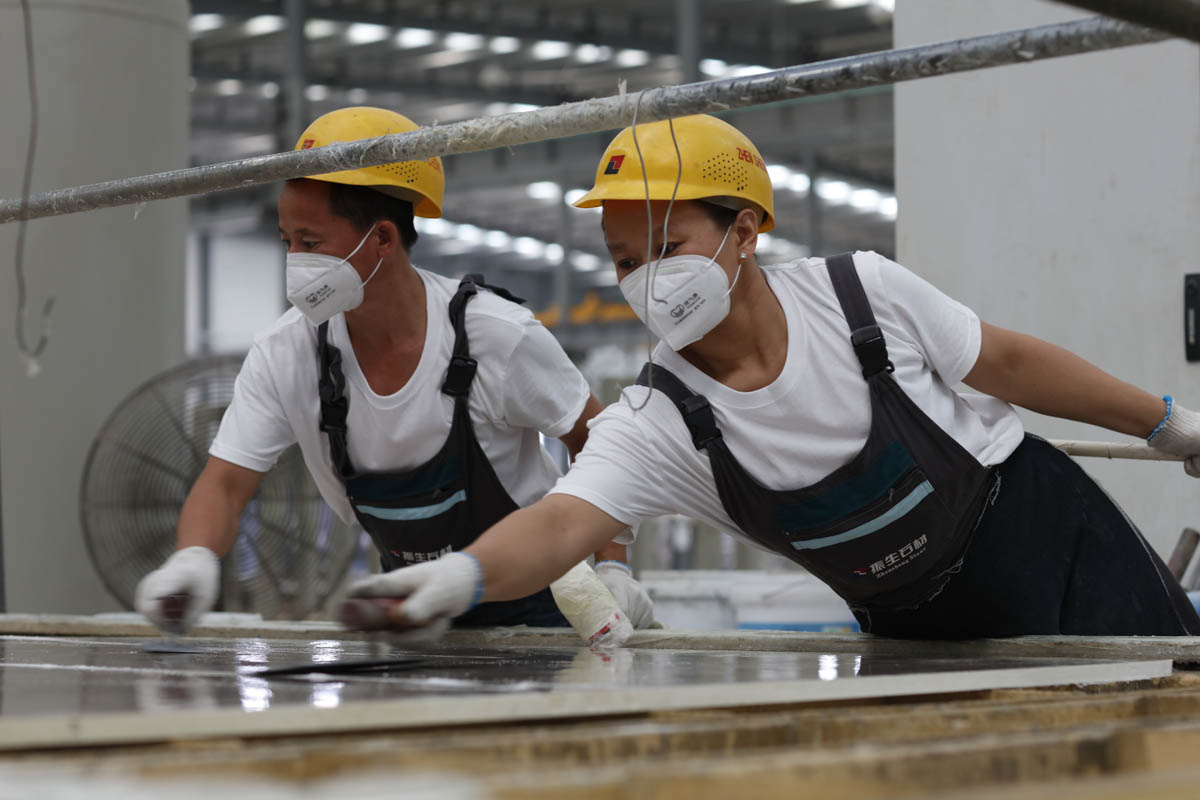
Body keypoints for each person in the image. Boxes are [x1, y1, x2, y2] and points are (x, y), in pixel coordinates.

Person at [347, 113, 1200, 640]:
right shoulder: (659, 420)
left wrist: (1166, 424)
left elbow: (1008, 363)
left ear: (745, 231)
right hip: (916, 627)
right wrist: (459, 577)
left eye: (668, 247)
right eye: (625, 260)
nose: (646, 279)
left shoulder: (860, 295)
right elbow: (561, 522)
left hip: (1056, 549)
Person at [135, 107, 651, 632]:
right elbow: (225, 483)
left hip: (542, 610)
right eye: (287, 241)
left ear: (382, 239)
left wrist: (612, 566)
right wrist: (193, 558)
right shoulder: (286, 353)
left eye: (310, 243)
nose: (294, 261)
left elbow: (597, 443)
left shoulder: (495, 335)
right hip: (412, 611)